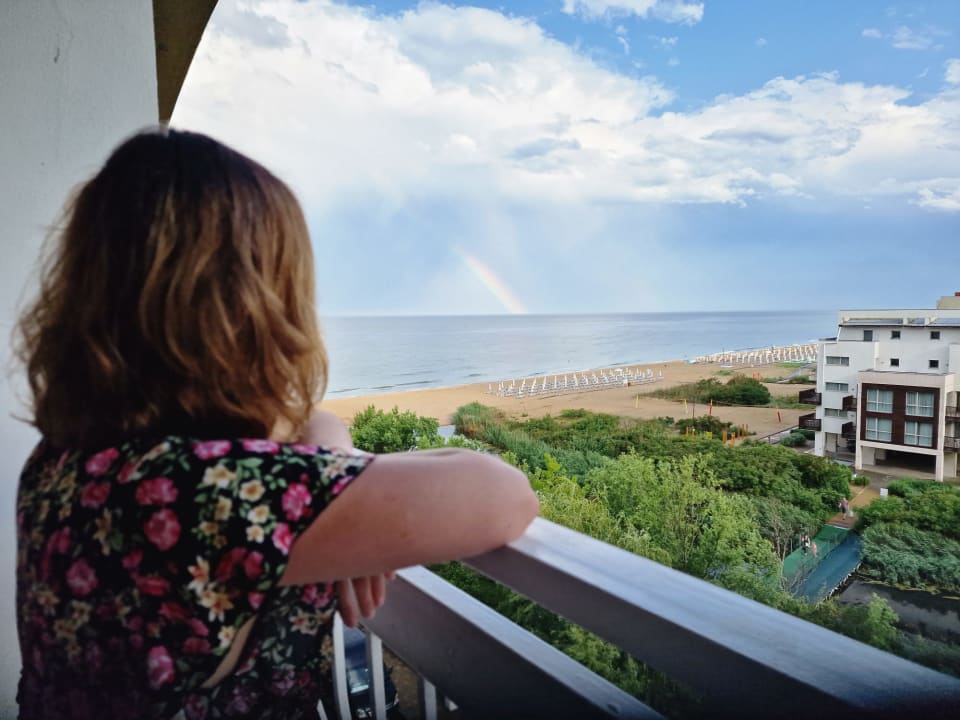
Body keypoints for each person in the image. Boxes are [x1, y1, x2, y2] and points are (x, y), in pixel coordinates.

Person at [14, 128, 539, 720]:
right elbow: (505, 494)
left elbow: (315, 424)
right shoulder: (212, 493)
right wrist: (338, 482)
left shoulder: (67, 460)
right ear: (249, 306)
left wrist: (333, 476)